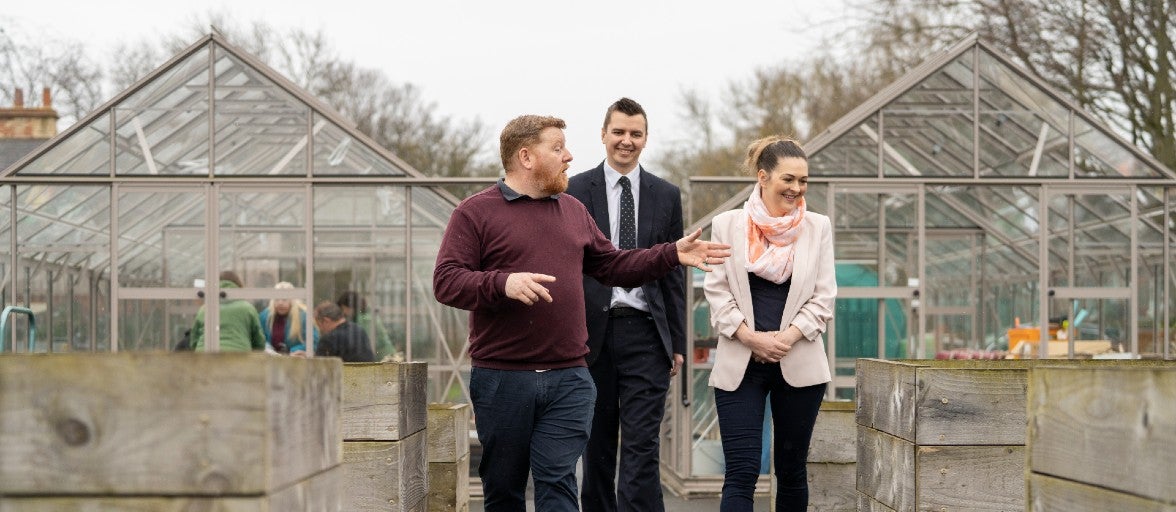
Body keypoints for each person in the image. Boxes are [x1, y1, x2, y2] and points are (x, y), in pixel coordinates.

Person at [432, 114, 731, 512]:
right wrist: (502, 283)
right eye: (557, 149)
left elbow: (614, 265)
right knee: (504, 489)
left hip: (569, 377)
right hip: (504, 379)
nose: (568, 157)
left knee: (559, 482)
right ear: (526, 156)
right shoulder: (475, 213)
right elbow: (447, 281)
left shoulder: (573, 211)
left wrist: (670, 254)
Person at [703, 136, 836, 512]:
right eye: (789, 179)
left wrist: (787, 337)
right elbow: (717, 292)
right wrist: (751, 337)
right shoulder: (727, 225)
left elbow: (823, 296)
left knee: (792, 471)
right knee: (742, 471)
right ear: (763, 177)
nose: (797, 188)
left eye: (804, 181)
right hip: (741, 364)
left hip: (799, 362)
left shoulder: (817, 227)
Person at [567, 97, 685, 512]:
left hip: (647, 334)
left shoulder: (666, 195)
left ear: (646, 138)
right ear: (603, 135)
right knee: (595, 443)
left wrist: (678, 342)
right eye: (618, 132)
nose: (626, 141)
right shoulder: (575, 190)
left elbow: (674, 273)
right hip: (589, 333)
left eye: (635, 133)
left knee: (642, 444)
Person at [189, 271, 267, 352]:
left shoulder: (205, 309)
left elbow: (194, 340)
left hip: (205, 356)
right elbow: (259, 342)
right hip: (239, 356)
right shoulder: (247, 308)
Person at [336, 290, 398, 361]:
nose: (344, 312)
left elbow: (365, 342)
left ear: (350, 306)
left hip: (384, 358)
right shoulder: (365, 315)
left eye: (344, 308)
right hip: (384, 355)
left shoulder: (365, 319)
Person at [259, 281, 318, 355]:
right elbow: (258, 338)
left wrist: (295, 350)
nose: (280, 303)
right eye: (277, 299)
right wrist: (267, 348)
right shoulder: (265, 316)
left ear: (292, 300)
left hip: (295, 360)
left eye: (284, 299)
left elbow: (313, 341)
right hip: (270, 360)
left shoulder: (303, 316)